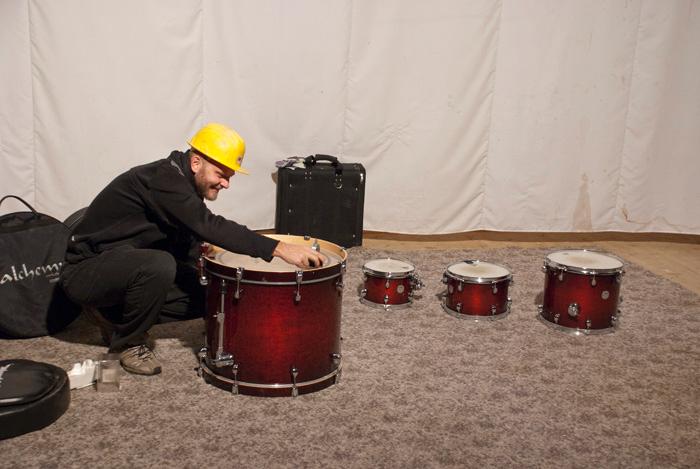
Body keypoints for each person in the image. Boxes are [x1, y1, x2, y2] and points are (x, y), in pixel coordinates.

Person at [60, 123, 325, 376]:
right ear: (196, 162)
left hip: (124, 266)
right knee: (158, 265)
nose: (226, 184)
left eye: (229, 177)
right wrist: (278, 247)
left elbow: (186, 234)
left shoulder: (182, 183)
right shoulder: (163, 180)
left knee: (211, 294)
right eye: (221, 174)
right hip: (86, 272)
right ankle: (128, 343)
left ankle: (116, 319)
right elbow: (207, 224)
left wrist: (199, 256)